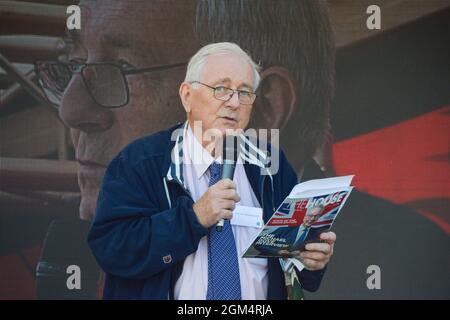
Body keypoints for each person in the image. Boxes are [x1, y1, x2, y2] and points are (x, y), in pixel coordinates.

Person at [35, 0, 449, 299]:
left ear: (262, 106)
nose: (71, 108)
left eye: (122, 68)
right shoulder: (85, 259)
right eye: (75, 62)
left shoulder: (401, 270)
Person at [87, 42, 336, 300]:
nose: (234, 102)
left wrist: (310, 260)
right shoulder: (140, 162)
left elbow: (291, 265)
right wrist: (193, 218)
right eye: (221, 88)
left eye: (245, 92)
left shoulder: (271, 165)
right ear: (186, 96)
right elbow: (112, 249)